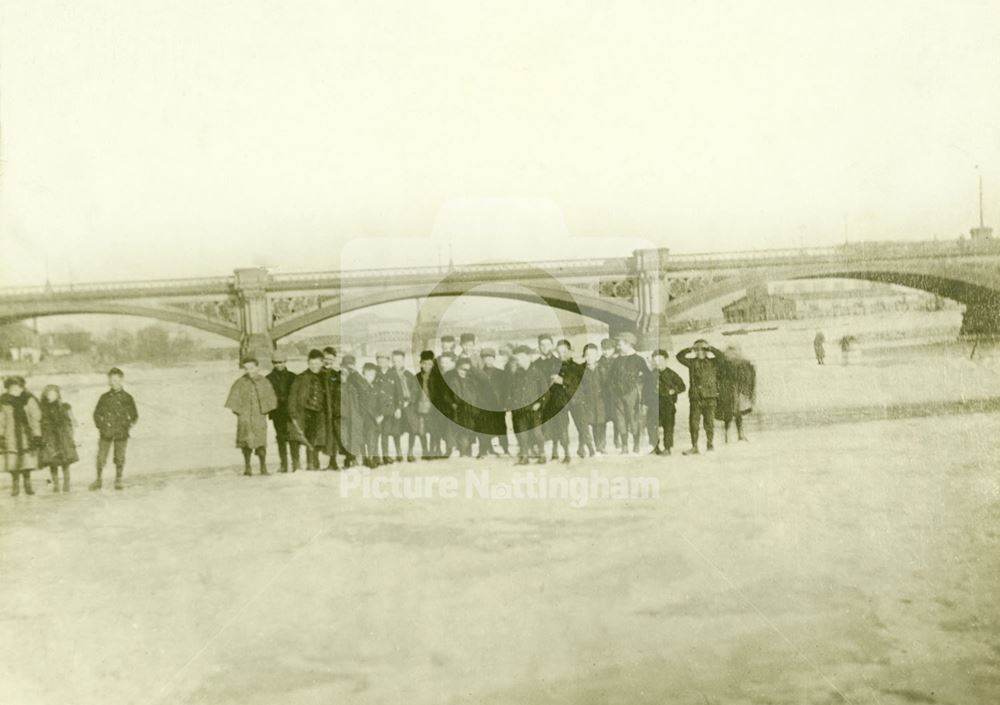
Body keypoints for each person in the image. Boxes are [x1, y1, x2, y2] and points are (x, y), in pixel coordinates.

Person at [225, 357, 279, 476]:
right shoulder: (240, 382)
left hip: (259, 416)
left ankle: (263, 467)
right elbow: (233, 399)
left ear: (257, 367)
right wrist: (239, 412)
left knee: (261, 441)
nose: (250, 371)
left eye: (252, 368)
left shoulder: (264, 381)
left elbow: (271, 398)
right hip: (244, 418)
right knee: (246, 442)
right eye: (247, 368)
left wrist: (264, 409)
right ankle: (247, 467)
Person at [91, 368, 139, 490]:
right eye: (112, 380)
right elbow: (96, 414)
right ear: (109, 381)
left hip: (121, 433)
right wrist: (101, 426)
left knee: (120, 457)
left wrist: (127, 425)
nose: (114, 382)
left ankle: (118, 480)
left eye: (117, 380)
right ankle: (98, 480)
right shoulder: (104, 397)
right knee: (101, 457)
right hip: (106, 432)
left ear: (122, 380)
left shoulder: (127, 398)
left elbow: (134, 415)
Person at [676, 340, 725, 455]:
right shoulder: (692, 363)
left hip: (710, 398)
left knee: (709, 423)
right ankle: (694, 447)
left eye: (702, 350)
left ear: (706, 351)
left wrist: (710, 347)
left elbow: (721, 357)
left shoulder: (714, 362)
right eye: (697, 350)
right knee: (693, 423)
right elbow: (679, 357)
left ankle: (710, 444)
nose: (700, 352)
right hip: (696, 398)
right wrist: (690, 349)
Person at [0, 376, 42, 497]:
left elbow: (35, 418)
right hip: (11, 435)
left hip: (25, 435)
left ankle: (28, 484)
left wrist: (37, 434)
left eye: (18, 387)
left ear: (22, 387)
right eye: (12, 387)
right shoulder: (3, 401)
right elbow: (1, 419)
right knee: (13, 462)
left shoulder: (28, 399)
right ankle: (15, 485)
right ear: (7, 388)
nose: (15, 390)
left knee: (26, 461)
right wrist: (1, 435)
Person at [288, 350, 328, 470]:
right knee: (296, 437)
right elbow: (293, 396)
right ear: (308, 363)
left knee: (314, 438)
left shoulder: (325, 377)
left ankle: (312, 462)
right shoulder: (301, 377)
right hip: (303, 412)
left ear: (322, 363)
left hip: (318, 413)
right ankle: (296, 463)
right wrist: (292, 412)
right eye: (311, 363)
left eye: (317, 363)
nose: (314, 366)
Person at [609, 332, 647, 455]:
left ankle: (636, 444)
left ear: (628, 344)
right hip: (617, 395)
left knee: (633, 419)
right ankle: (624, 446)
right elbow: (612, 376)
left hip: (632, 394)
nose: (618, 346)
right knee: (620, 420)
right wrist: (613, 388)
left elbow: (647, 376)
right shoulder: (617, 360)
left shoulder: (638, 359)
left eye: (620, 343)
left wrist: (637, 384)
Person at [508, 345, 547, 465]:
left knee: (537, 434)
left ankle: (542, 454)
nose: (520, 360)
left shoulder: (537, 373)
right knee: (522, 434)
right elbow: (511, 392)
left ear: (529, 358)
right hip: (520, 410)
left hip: (534, 410)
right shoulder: (515, 375)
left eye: (523, 357)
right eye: (518, 358)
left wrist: (539, 404)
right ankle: (524, 456)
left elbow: (545, 392)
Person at [39, 384, 79, 492]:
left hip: (62, 437)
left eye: (54, 394)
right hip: (50, 438)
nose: (51, 396)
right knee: (53, 462)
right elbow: (40, 422)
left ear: (57, 395)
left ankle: (66, 483)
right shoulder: (43, 408)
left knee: (65, 461)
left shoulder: (64, 406)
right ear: (45, 395)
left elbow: (71, 420)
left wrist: (70, 433)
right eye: (49, 394)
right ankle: (56, 484)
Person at [645, 350, 686, 455]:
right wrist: (644, 403)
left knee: (668, 426)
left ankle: (667, 448)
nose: (657, 362)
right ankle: (655, 447)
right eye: (655, 360)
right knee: (652, 426)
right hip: (653, 405)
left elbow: (682, 386)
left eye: (660, 360)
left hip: (667, 404)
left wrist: (673, 390)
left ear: (666, 360)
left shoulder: (671, 374)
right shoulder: (651, 374)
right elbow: (645, 389)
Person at [571, 343, 608, 458]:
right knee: (584, 426)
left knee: (600, 424)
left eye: (592, 354)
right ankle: (583, 448)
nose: (589, 357)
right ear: (584, 356)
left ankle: (600, 447)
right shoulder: (579, 370)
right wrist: (579, 399)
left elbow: (606, 385)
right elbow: (577, 386)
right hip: (585, 402)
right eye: (587, 355)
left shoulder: (602, 368)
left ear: (597, 356)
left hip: (600, 401)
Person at [266, 350, 299, 472]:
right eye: (275, 363)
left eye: (281, 362)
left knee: (293, 438)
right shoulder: (268, 378)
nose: (278, 365)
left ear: (285, 362)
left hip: (291, 412)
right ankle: (284, 464)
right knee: (281, 438)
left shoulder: (293, 376)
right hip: (277, 413)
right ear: (272, 363)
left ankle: (296, 464)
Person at [717, 345, 756, 442]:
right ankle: (732, 435)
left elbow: (747, 377)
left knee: (735, 413)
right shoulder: (723, 364)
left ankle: (735, 435)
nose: (731, 356)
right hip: (728, 392)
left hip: (735, 392)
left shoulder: (742, 364)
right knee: (730, 414)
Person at [390, 350, 421, 462]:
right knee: (396, 430)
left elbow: (415, 391)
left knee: (412, 429)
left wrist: (410, 401)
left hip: (409, 406)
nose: (397, 363)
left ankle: (410, 452)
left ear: (403, 361)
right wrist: (396, 406)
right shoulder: (390, 375)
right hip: (396, 407)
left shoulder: (409, 375)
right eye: (395, 361)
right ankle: (398, 452)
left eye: (399, 360)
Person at [480, 348, 511, 455]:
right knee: (484, 427)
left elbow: (506, 390)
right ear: (482, 360)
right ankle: (484, 449)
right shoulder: (479, 373)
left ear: (494, 359)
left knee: (501, 427)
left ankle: (506, 448)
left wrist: (505, 404)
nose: (488, 360)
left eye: (490, 358)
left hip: (498, 405)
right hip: (483, 405)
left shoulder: (501, 373)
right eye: (485, 358)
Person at [374, 352, 402, 464]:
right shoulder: (374, 373)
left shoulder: (393, 374)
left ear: (388, 361)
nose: (382, 362)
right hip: (377, 410)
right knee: (376, 434)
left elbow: (399, 393)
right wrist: (375, 413)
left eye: (384, 360)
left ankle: (385, 456)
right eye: (380, 360)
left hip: (390, 410)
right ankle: (375, 457)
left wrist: (398, 408)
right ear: (377, 361)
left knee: (385, 433)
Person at [355, 363, 384, 467]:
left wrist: (381, 414)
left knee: (372, 438)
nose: (370, 377)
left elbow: (381, 402)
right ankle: (364, 458)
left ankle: (371, 458)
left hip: (373, 418)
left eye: (372, 375)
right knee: (362, 438)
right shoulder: (359, 386)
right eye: (367, 374)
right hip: (362, 417)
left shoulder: (377, 387)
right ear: (363, 374)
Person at [322, 346, 343, 470]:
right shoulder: (319, 373)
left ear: (334, 359)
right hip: (323, 409)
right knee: (324, 436)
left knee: (335, 435)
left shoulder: (337, 374)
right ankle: (319, 461)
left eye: (330, 359)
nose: (328, 361)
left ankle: (334, 461)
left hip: (335, 409)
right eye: (325, 358)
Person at [414, 351, 438, 459]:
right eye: (424, 364)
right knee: (421, 429)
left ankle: (432, 450)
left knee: (433, 429)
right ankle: (425, 450)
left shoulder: (437, 377)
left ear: (433, 365)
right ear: (420, 364)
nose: (427, 366)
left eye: (429, 364)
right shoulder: (418, 376)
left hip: (433, 407)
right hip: (420, 406)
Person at [599, 337, 618, 450]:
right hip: (603, 395)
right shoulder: (599, 363)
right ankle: (602, 442)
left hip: (614, 395)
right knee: (602, 419)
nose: (606, 351)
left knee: (617, 418)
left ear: (613, 349)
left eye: (609, 349)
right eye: (604, 349)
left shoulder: (618, 362)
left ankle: (617, 439)